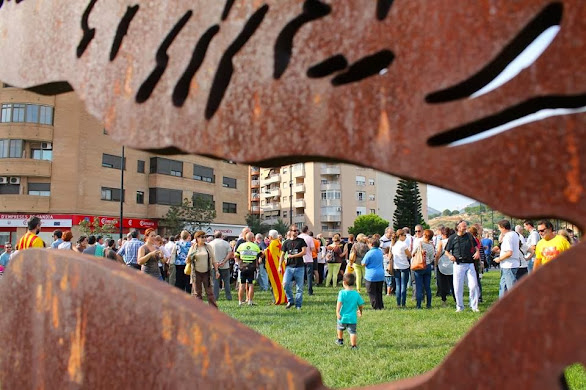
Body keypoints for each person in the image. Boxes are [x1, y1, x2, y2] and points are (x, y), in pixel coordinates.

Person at [444, 220, 480, 312]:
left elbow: (476, 247)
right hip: (458, 264)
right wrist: (450, 256)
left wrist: (477, 253)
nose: (465, 227)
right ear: (458, 228)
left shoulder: (469, 236)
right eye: (464, 226)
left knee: (473, 285)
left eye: (466, 226)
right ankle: (459, 307)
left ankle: (474, 306)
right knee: (457, 287)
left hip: (470, 263)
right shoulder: (452, 238)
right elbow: (446, 251)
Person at [187, 230, 219, 308]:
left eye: (205, 237)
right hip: (196, 272)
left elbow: (214, 260)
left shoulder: (208, 247)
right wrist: (190, 257)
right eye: (202, 237)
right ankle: (199, 309)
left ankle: (214, 309)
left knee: (209, 292)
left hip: (207, 272)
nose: (204, 238)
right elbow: (187, 260)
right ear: (197, 238)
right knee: (197, 293)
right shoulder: (193, 247)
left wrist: (217, 270)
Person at [280, 225, 307, 310]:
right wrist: (279, 266)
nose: (296, 232)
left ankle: (298, 305)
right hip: (289, 267)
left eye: (297, 230)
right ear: (290, 231)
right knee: (285, 284)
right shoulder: (286, 242)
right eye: (294, 230)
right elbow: (282, 254)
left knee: (299, 288)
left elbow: (304, 252)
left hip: (300, 266)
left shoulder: (301, 241)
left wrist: (293, 256)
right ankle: (290, 300)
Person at [336, 273, 364, 350]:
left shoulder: (342, 293)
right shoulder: (356, 294)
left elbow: (339, 303)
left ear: (344, 282)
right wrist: (360, 311)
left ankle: (340, 340)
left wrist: (337, 312)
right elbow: (361, 304)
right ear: (354, 282)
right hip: (352, 318)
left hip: (342, 316)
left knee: (340, 328)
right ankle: (354, 345)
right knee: (352, 332)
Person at [493, 220, 520, 298]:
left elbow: (509, 253)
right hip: (510, 265)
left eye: (499, 228)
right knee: (503, 286)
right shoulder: (514, 234)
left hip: (509, 265)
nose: (499, 230)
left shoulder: (508, 237)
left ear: (503, 228)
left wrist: (499, 259)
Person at [235, 232, 262, 306]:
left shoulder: (241, 246)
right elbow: (261, 255)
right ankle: (250, 301)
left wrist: (239, 261)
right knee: (251, 285)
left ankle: (240, 302)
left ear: (245, 238)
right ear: (253, 238)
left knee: (242, 284)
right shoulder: (255, 246)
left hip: (242, 267)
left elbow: (236, 255)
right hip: (251, 267)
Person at [412, 229, 435, 309]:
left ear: (425, 235)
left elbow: (413, 253)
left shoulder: (420, 243)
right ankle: (428, 304)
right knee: (427, 287)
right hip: (427, 266)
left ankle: (419, 305)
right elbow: (432, 258)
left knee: (419, 286)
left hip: (419, 266)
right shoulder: (431, 246)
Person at [362, 237, 385, 310]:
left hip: (371, 275)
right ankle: (380, 305)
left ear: (371, 244)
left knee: (372, 292)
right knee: (379, 292)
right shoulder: (380, 251)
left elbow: (363, 263)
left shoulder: (369, 253)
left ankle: (375, 306)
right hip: (380, 274)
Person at [265, 229, 286, 305]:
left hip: (276, 267)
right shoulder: (278, 242)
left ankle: (277, 299)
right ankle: (282, 298)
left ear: (270, 237)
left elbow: (270, 255)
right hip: (281, 265)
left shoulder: (273, 243)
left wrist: (264, 252)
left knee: (275, 283)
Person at [435, 227, 455, 306]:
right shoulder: (453, 241)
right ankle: (456, 298)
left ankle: (444, 300)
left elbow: (438, 254)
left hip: (442, 264)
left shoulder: (441, 242)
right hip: (451, 264)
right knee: (453, 283)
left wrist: (436, 263)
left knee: (442, 283)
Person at [392, 229, 412, 308]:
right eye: (404, 235)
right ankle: (403, 303)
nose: (405, 237)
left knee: (398, 285)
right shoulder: (403, 245)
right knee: (403, 285)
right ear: (400, 236)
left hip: (396, 266)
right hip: (404, 266)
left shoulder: (393, 245)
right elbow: (409, 255)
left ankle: (398, 303)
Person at [210, 231, 233, 301]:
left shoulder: (210, 244)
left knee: (215, 282)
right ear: (221, 236)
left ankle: (215, 297)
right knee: (226, 282)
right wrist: (224, 261)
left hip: (214, 265)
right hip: (225, 265)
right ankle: (228, 297)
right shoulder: (226, 243)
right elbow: (230, 253)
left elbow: (210, 255)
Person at [298, 226, 315, 295]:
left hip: (300, 258)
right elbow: (313, 249)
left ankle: (299, 290)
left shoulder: (298, 237)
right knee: (309, 276)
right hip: (308, 259)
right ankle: (309, 291)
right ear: (307, 230)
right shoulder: (309, 238)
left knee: (299, 276)